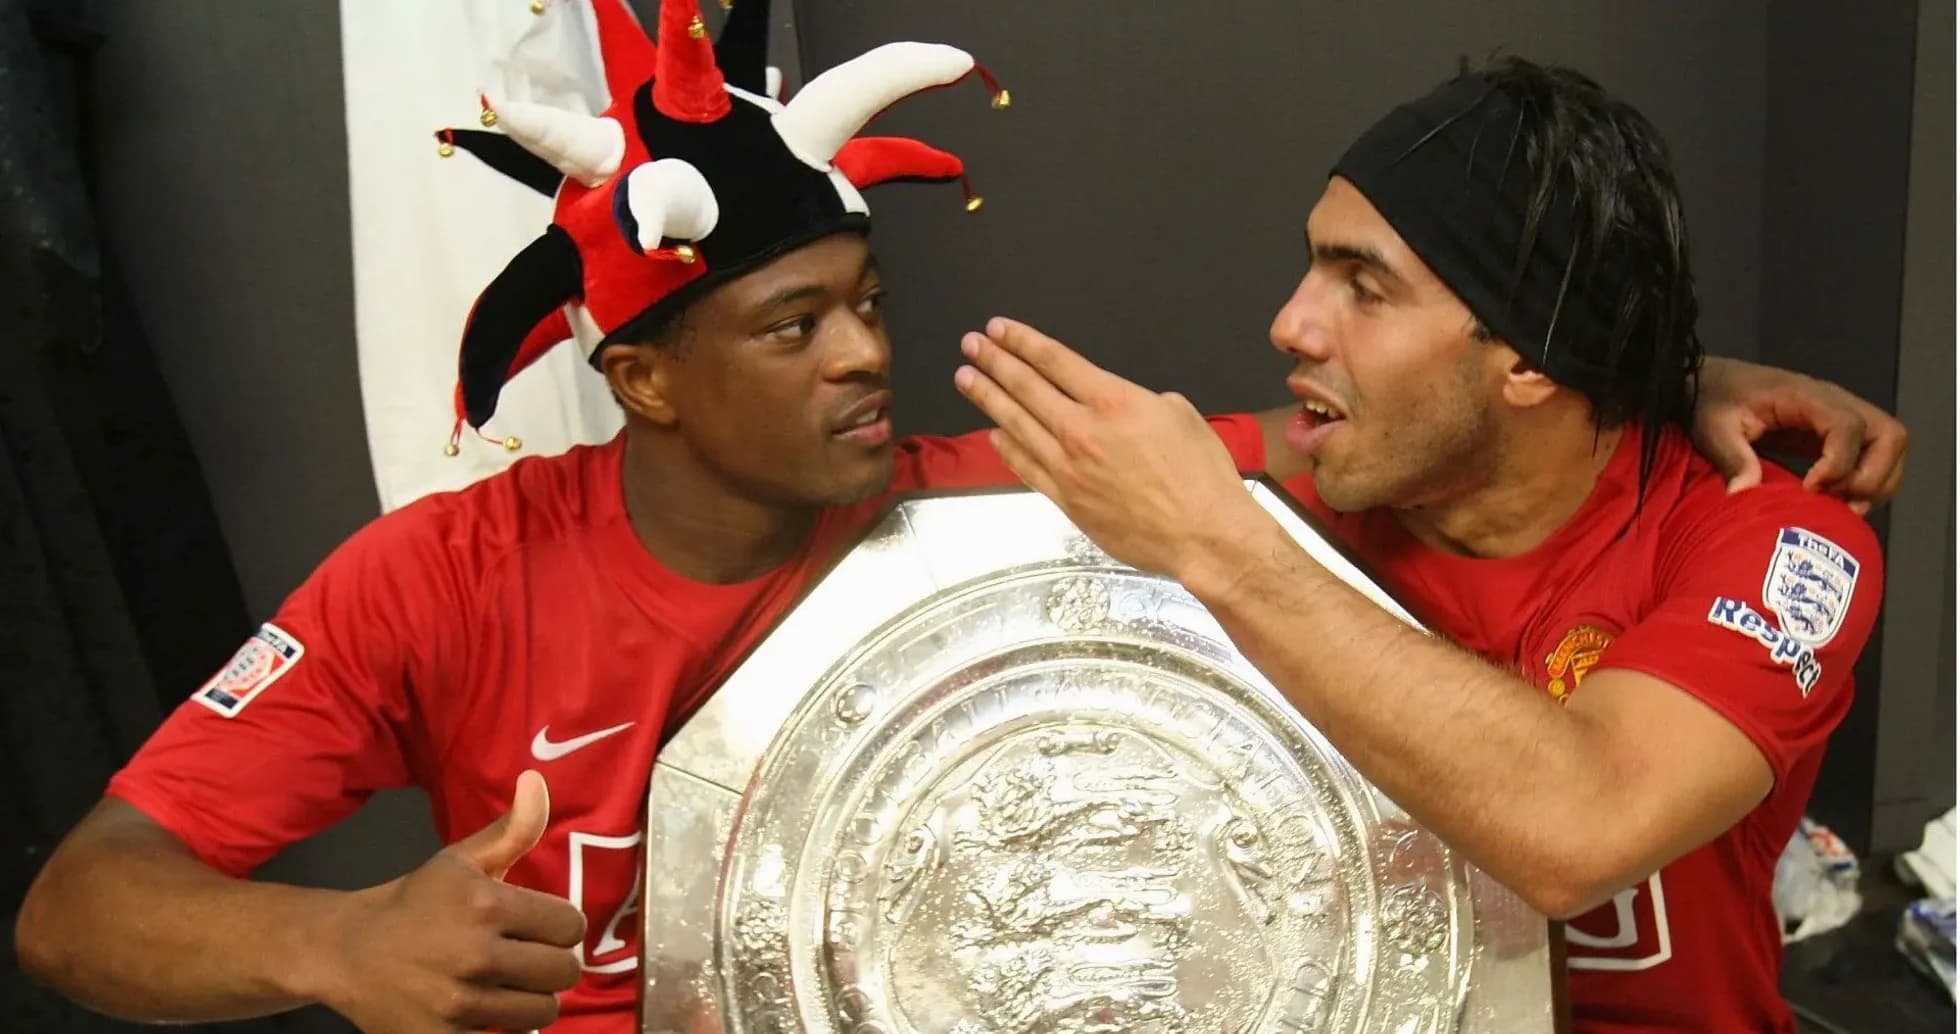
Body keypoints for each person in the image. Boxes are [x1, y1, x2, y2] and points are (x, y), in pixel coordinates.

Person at [15, 8, 1903, 1032]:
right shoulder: (445, 575)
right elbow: (80, 905)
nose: (866, 365)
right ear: (642, 375)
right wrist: (334, 955)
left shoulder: (995, 507)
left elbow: (1552, 761)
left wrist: (1662, 373)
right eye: (794, 324)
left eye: (871, 305)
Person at [953, 57, 1894, 1033]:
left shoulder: (1770, 535)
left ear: (1530, 356)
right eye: (1315, 265)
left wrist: (1226, 548)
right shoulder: (1306, 474)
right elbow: (880, 489)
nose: (1289, 322)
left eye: (1364, 286)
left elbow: (1585, 822)